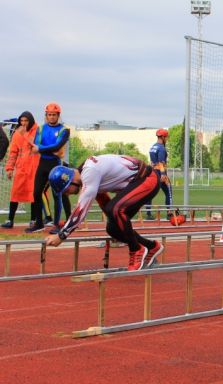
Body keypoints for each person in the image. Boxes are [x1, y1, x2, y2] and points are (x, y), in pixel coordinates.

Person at [44, 155, 164, 271]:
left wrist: (61, 236)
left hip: (148, 179)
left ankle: (136, 250)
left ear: (69, 180)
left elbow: (81, 209)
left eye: (65, 191)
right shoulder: (89, 174)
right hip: (139, 181)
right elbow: (104, 202)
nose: (67, 194)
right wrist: (116, 225)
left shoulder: (89, 172)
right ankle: (151, 247)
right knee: (112, 228)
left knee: (115, 209)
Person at [26, 102, 71, 233]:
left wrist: (41, 149)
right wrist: (49, 149)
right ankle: (39, 223)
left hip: (56, 165)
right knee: (36, 193)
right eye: (49, 114)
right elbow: (36, 144)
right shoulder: (40, 129)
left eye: (54, 115)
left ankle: (56, 224)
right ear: (46, 115)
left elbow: (57, 146)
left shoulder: (64, 130)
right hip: (43, 163)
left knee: (57, 195)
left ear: (58, 115)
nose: (51, 117)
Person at [2, 112, 40, 228]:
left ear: (31, 121)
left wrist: (25, 134)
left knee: (34, 194)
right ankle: (10, 220)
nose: (23, 123)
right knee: (15, 193)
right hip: (21, 168)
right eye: (21, 121)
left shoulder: (38, 131)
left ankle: (33, 220)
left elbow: (36, 146)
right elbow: (13, 152)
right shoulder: (17, 133)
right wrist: (10, 168)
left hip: (35, 167)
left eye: (26, 121)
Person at [145, 129, 172, 220]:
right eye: (166, 137)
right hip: (160, 173)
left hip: (153, 173)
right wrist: (163, 174)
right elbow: (161, 163)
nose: (167, 139)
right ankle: (169, 214)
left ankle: (148, 214)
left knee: (150, 193)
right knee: (169, 192)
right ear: (163, 137)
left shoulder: (153, 147)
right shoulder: (161, 148)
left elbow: (152, 162)